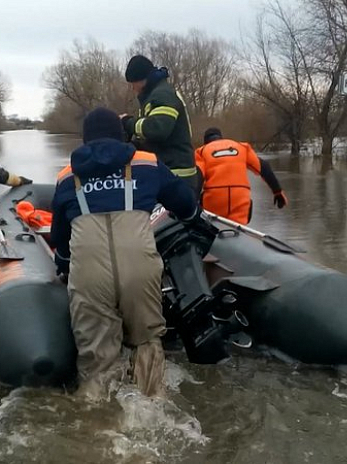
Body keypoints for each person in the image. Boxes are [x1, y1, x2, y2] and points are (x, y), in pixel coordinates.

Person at [51, 108, 202, 399]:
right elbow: (185, 206)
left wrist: (64, 266)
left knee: (97, 360)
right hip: (140, 269)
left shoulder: (67, 177)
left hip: (90, 273)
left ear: (85, 139)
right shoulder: (148, 164)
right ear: (121, 135)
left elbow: (59, 238)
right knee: (147, 340)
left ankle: (96, 421)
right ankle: (153, 406)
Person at [119, 55, 201, 193]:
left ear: (141, 79)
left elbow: (157, 129)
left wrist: (128, 122)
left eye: (133, 83)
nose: (133, 88)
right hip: (170, 173)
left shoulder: (162, 95)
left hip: (176, 175)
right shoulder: (156, 94)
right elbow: (151, 137)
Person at [195, 127, 287, 225]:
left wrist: (191, 204)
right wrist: (277, 192)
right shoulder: (241, 147)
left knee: (208, 221)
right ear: (221, 137)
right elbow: (264, 167)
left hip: (214, 202)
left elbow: (197, 178)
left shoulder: (201, 152)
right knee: (239, 224)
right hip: (239, 201)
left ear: (205, 142)